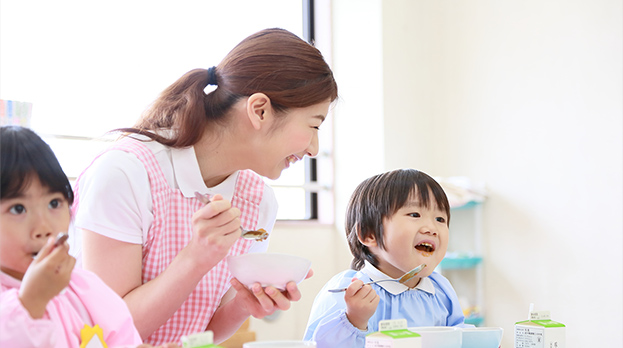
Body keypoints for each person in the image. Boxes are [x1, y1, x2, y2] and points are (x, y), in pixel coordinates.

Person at [70, 28, 338, 345]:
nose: (314, 149)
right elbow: (108, 332)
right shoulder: (125, 174)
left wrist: (243, 304)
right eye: (313, 125)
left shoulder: (257, 201)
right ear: (260, 110)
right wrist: (195, 259)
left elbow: (201, 330)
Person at [0, 125, 181, 348]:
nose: (44, 227)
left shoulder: (83, 287)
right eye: (18, 209)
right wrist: (31, 302)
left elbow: (120, 340)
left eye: (54, 203)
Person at [303, 169, 469, 348]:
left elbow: (458, 335)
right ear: (369, 234)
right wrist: (354, 320)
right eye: (414, 215)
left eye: (440, 218)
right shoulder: (348, 293)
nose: (431, 228)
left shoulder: (441, 290)